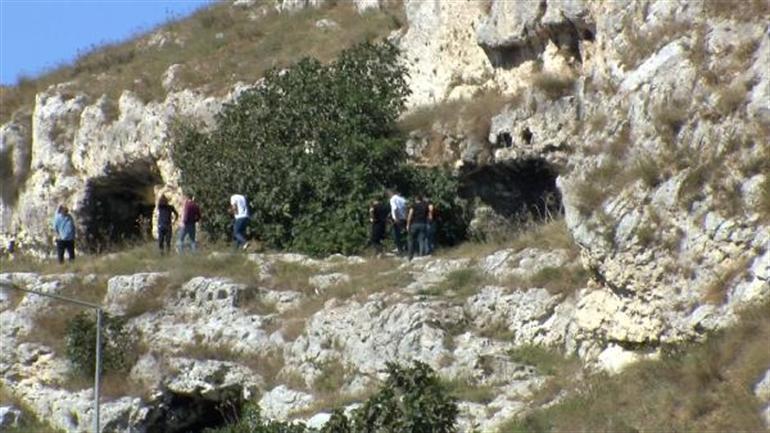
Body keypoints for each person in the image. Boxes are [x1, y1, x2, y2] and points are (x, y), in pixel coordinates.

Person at [406, 194, 430, 261]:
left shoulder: (413, 205)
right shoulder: (425, 205)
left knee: (411, 239)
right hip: (423, 224)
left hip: (414, 224)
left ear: (416, 199)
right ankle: (421, 254)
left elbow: (410, 215)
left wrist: (408, 224)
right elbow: (428, 214)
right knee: (421, 239)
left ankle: (410, 256)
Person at [388, 190, 407, 254]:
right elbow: (406, 208)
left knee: (396, 235)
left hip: (397, 219)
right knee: (403, 234)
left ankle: (399, 249)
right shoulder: (402, 199)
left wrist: (396, 218)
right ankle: (405, 248)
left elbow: (395, 208)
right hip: (404, 218)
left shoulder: (392, 199)